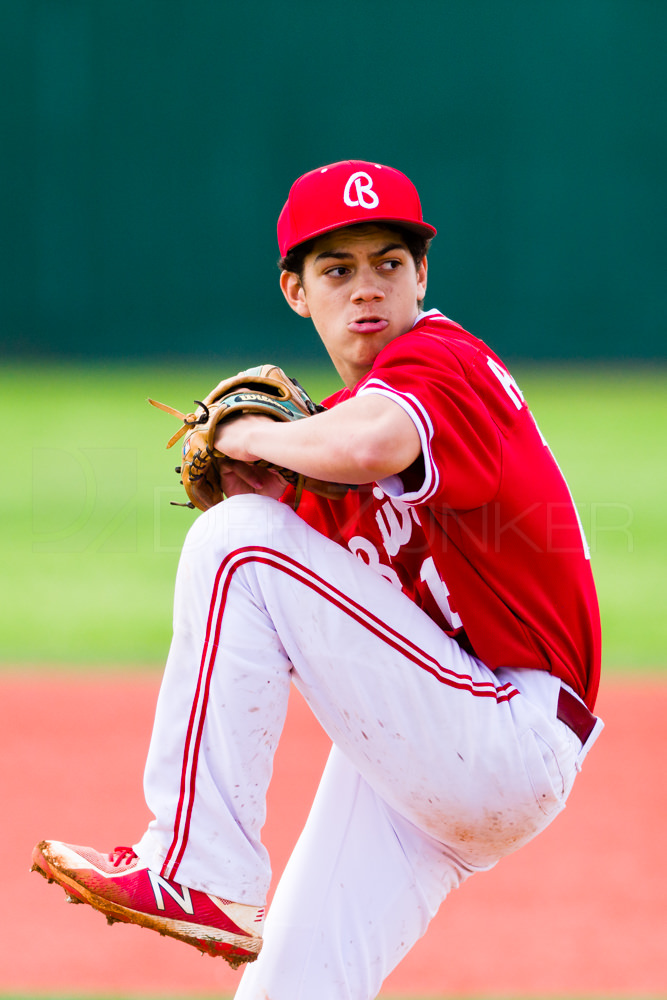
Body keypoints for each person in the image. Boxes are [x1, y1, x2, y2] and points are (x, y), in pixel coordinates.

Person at [33, 159, 603, 1000]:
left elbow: (371, 446)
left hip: (507, 729)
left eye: (388, 264)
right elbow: (306, 574)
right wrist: (266, 474)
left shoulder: (442, 361)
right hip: (433, 753)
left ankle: (196, 865)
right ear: (295, 291)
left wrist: (252, 444)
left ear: (421, 277)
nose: (366, 289)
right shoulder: (324, 437)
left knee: (236, 544)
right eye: (337, 269)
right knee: (290, 991)